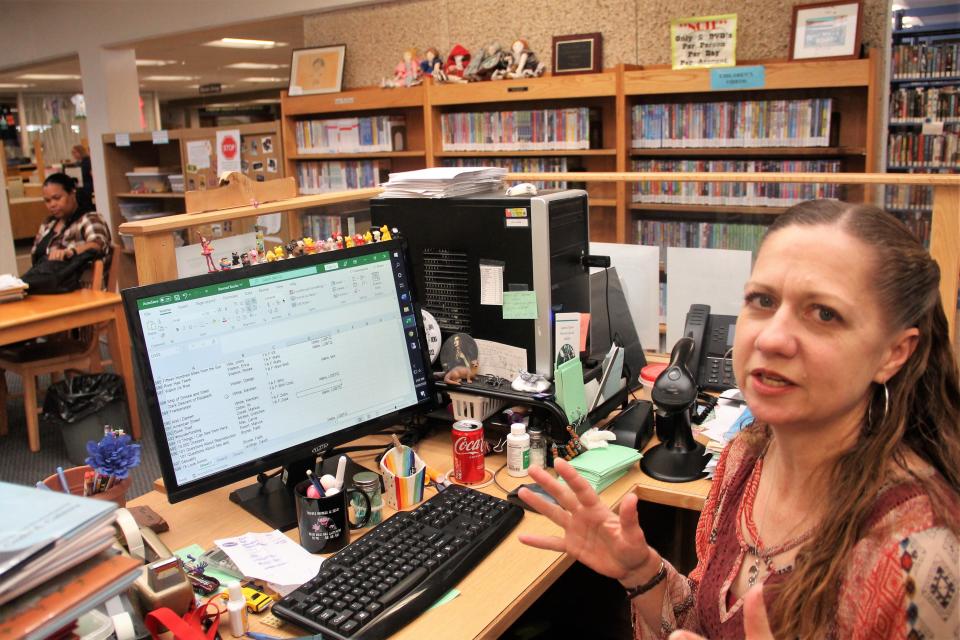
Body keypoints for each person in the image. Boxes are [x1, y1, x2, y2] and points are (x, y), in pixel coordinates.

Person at [519, 200, 960, 639]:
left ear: (893, 353)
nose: (771, 338)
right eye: (763, 301)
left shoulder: (921, 553)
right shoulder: (744, 457)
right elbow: (701, 624)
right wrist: (641, 572)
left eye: (824, 313)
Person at [32, 172, 111, 268]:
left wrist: (70, 252)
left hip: (75, 281)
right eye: (47, 201)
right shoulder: (48, 223)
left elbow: (98, 244)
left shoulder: (90, 218)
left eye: (57, 198)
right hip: (43, 277)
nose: (52, 205)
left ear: (72, 193)